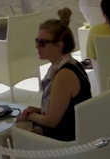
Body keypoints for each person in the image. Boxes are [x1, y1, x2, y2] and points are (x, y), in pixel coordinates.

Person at [17, 9, 92, 142]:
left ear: (59, 45)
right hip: (76, 131)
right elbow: (65, 109)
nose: (37, 46)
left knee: (16, 130)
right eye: (36, 41)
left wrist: (30, 115)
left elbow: (51, 121)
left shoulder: (64, 75)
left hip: (65, 140)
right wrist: (38, 111)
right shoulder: (71, 64)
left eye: (41, 43)